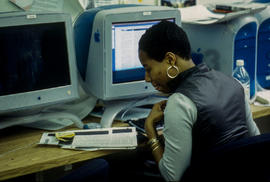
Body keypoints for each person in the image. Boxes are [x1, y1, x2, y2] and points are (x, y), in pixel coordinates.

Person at [138, 20, 260, 182]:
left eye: (148, 69)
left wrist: (150, 131)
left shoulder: (180, 102)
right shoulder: (234, 83)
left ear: (170, 60)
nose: (147, 78)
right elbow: (257, 143)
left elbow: (172, 177)